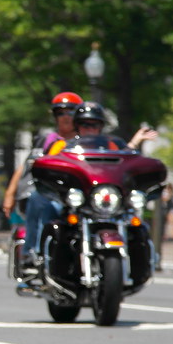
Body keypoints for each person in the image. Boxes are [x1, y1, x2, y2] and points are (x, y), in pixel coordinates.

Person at [20, 101, 152, 271]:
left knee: (136, 222)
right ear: (77, 126)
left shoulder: (112, 145)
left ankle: (143, 263)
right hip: (76, 199)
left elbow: (128, 159)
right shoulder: (64, 146)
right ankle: (38, 255)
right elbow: (48, 164)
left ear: (101, 126)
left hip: (104, 198)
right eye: (84, 124)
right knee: (46, 205)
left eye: (94, 124)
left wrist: (136, 141)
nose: (89, 128)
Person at [3, 92, 83, 222]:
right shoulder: (46, 140)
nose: (65, 117)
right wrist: (9, 194)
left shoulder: (85, 143)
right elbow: (25, 165)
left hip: (75, 197)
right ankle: (34, 243)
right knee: (38, 200)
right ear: (54, 116)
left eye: (70, 112)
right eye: (60, 113)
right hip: (46, 194)